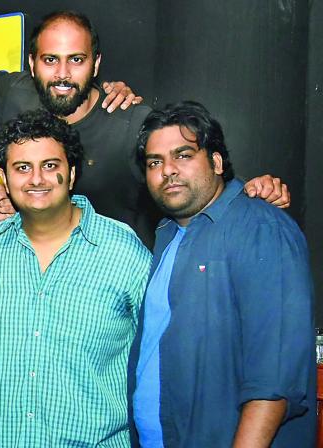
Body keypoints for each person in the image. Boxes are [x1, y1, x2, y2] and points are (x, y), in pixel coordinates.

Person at [0, 10, 290, 247]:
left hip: (117, 290)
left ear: (96, 65)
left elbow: (190, 163)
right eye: (50, 60)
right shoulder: (15, 92)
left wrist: (253, 188)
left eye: (76, 60)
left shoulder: (130, 119)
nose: (62, 74)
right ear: (32, 64)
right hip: (32, 272)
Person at [130, 101, 315, 447]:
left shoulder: (259, 227)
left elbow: (272, 379)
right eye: (155, 162)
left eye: (183, 155)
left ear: (215, 162)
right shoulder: (168, 236)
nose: (168, 170)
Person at [0, 109, 151, 446]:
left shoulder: (122, 252)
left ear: (72, 172)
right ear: (5, 180)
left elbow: (159, 356)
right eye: (22, 168)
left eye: (50, 166)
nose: (36, 179)